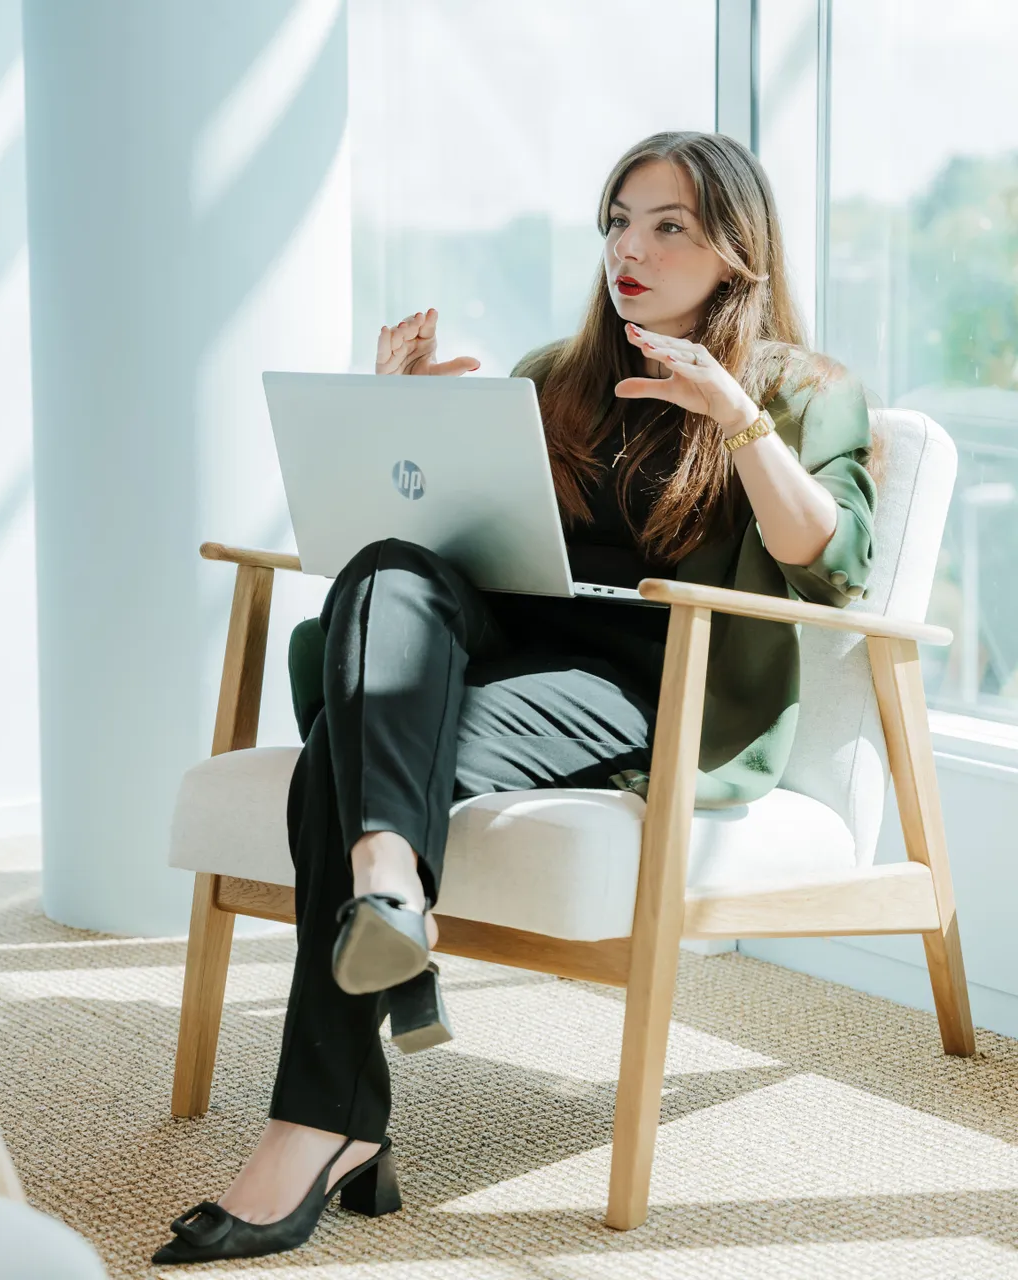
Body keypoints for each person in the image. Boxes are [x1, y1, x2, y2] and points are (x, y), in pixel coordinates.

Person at [153, 130, 881, 1265]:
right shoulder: (554, 373)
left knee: (340, 753)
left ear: (737, 252)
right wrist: (394, 421)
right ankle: (388, 882)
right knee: (388, 560)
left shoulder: (798, 392)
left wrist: (733, 415)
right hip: (498, 646)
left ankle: (325, 1116)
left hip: (643, 679)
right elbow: (438, 545)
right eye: (615, 220)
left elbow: (830, 566)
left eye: (666, 225)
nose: (626, 248)